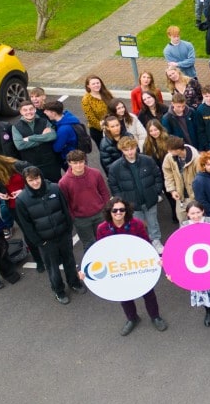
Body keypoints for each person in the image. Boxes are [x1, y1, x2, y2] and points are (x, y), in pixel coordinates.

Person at [89, 197, 167, 335]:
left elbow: (146, 244)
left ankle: (155, 317)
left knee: (148, 293)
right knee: (124, 295)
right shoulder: (102, 228)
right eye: (115, 210)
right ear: (109, 212)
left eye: (122, 209)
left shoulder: (136, 224)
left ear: (126, 211)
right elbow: (100, 251)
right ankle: (132, 318)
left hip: (137, 265)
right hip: (118, 267)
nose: (118, 212)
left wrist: (154, 260)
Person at [15, 166, 84, 304]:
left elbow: (65, 209)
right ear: (26, 181)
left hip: (63, 235)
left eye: (37, 178)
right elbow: (26, 225)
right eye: (31, 180)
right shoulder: (22, 200)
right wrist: (40, 242)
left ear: (41, 176)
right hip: (46, 241)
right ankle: (59, 291)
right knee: (53, 269)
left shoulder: (54, 188)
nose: (35, 182)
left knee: (69, 261)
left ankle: (74, 283)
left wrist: (68, 228)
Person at [107, 136, 165, 252]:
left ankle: (156, 241)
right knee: (137, 225)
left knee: (153, 223)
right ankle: (143, 245)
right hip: (131, 204)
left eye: (132, 148)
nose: (130, 152)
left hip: (150, 200)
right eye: (126, 150)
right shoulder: (115, 167)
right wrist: (123, 200)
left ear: (136, 147)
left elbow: (158, 176)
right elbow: (113, 185)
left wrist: (156, 191)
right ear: (122, 151)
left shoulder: (147, 160)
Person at [57, 150, 110, 251]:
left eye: (81, 162)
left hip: (100, 214)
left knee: (104, 241)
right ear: (69, 163)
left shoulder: (96, 173)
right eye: (75, 163)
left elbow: (104, 192)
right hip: (81, 219)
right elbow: (65, 203)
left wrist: (105, 209)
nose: (78, 165)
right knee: (89, 245)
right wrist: (74, 218)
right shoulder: (64, 182)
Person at [12, 101, 61, 182]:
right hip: (32, 165)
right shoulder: (16, 127)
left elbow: (53, 136)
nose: (28, 112)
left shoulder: (44, 121)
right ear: (21, 112)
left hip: (50, 163)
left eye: (31, 109)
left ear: (35, 109)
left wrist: (31, 138)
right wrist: (44, 138)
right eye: (25, 110)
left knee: (57, 186)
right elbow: (20, 145)